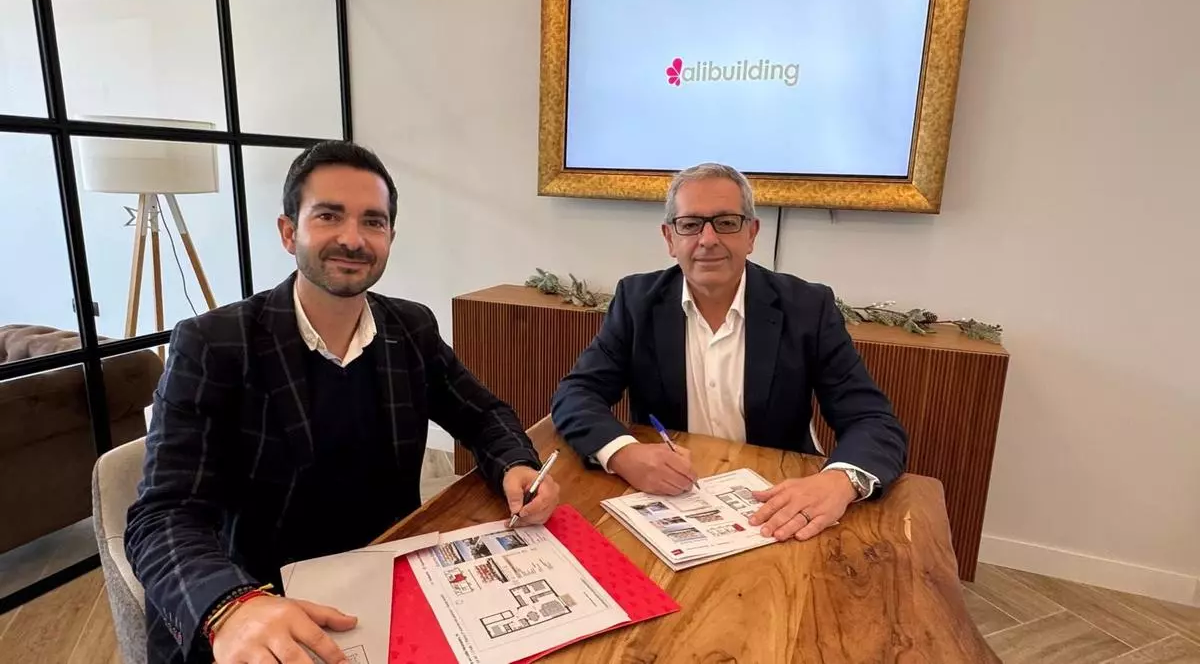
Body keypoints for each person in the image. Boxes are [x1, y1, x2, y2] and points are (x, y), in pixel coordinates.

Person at [125, 140, 560, 664]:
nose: (353, 239)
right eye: (329, 216)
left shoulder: (410, 327)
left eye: (373, 222)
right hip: (266, 600)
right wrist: (230, 606)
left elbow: (483, 414)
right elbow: (162, 516)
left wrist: (515, 462)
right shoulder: (215, 344)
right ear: (289, 232)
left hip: (390, 580)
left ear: (390, 237)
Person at [550, 162, 906, 545]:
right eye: (690, 224)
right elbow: (577, 394)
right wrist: (623, 453)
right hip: (672, 495)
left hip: (779, 497)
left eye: (726, 223)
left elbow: (872, 420)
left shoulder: (806, 306)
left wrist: (839, 481)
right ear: (670, 238)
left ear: (751, 233)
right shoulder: (637, 301)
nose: (708, 239)